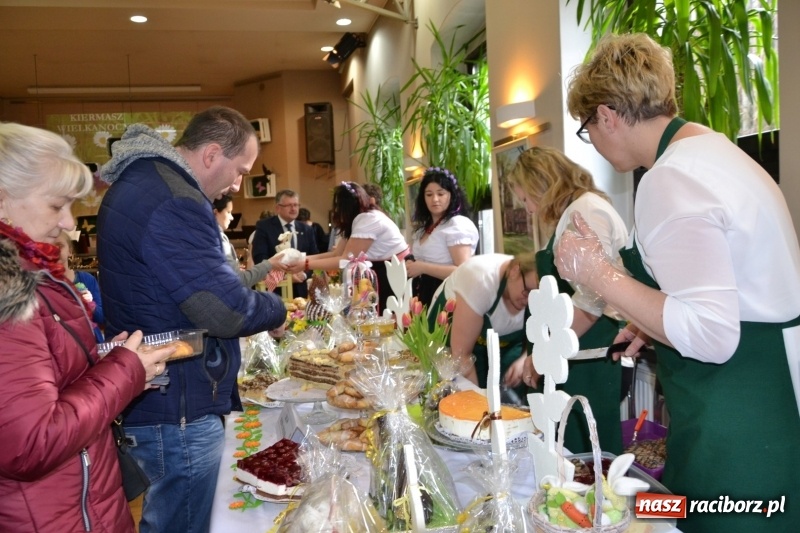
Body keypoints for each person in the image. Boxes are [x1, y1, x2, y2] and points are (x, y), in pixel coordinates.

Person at [558, 33, 800, 533]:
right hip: (766, 396)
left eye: (587, 129)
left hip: (736, 414)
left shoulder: (671, 178)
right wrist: (648, 325)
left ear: (606, 116)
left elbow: (712, 334)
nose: (595, 144)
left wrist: (598, 273)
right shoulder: (713, 151)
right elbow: (718, 289)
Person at [97, 106, 298, 533]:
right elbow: (223, 310)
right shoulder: (173, 199)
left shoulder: (148, 184)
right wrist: (278, 310)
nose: (238, 184)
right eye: (240, 170)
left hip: (165, 396)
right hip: (179, 405)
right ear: (210, 155)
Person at [0, 122, 174, 532]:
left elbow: (46, 381)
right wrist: (125, 371)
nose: (67, 222)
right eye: (56, 205)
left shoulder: (36, 273)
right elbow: (32, 443)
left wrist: (106, 361)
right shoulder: (11, 291)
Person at [508, 146, 627, 454]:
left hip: (592, 354)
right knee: (569, 449)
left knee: (589, 453)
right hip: (576, 351)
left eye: (526, 198)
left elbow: (594, 298)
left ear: (541, 185)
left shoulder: (584, 213)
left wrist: (544, 354)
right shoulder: (574, 213)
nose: (529, 209)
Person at [429, 252, 539, 402]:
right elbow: (461, 356)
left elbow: (541, 334)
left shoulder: (533, 288)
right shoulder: (479, 280)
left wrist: (524, 358)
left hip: (503, 349)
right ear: (514, 271)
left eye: (536, 296)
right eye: (527, 291)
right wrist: (478, 407)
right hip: (456, 347)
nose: (529, 300)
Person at [306, 181, 409, 313]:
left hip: (391, 271)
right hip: (381, 269)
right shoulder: (359, 220)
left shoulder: (368, 219)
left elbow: (345, 259)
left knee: (388, 314)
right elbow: (336, 253)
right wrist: (302, 259)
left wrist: (306, 264)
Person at [405, 167, 479, 306]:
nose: (435, 199)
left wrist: (422, 267)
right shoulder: (423, 228)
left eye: (441, 193)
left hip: (447, 294)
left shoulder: (456, 224)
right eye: (429, 194)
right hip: (423, 292)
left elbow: (462, 271)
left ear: (451, 195)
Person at [251, 189, 319, 298]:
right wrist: (284, 277)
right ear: (278, 208)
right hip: (275, 290)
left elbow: (314, 256)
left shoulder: (307, 229)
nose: (294, 209)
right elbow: (260, 257)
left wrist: (304, 274)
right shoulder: (264, 227)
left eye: (296, 205)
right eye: (289, 205)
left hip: (301, 290)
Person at [213, 194, 287, 288]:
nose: (232, 217)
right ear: (215, 213)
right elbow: (239, 280)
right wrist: (269, 263)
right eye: (228, 212)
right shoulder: (218, 239)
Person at [56, 230, 106, 342]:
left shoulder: (87, 279)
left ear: (70, 250)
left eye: (59, 246)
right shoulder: (44, 284)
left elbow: (102, 317)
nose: (54, 250)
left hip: (92, 342)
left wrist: (90, 306)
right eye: (48, 246)